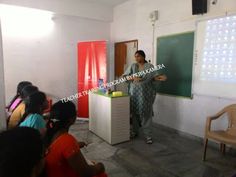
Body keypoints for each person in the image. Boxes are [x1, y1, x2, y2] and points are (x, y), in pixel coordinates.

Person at [44, 100, 107, 177]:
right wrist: (100, 167)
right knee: (101, 174)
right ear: (71, 119)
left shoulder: (49, 133)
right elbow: (86, 173)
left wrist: (75, 145)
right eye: (75, 112)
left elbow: (58, 149)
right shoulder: (67, 140)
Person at [123, 50, 166, 144]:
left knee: (146, 114)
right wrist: (133, 78)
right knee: (134, 114)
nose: (136, 58)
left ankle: (148, 135)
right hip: (134, 95)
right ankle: (134, 132)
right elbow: (125, 77)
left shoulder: (149, 67)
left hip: (145, 95)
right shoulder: (133, 66)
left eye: (138, 56)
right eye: (135, 56)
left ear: (143, 56)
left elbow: (154, 77)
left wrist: (160, 78)